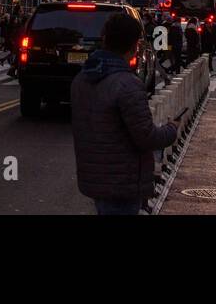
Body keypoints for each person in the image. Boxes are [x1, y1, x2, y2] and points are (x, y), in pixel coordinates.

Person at [70, 13, 179, 215]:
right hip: (123, 182)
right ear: (134, 45)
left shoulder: (82, 79)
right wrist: (172, 129)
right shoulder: (128, 84)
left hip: (94, 178)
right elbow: (146, 137)